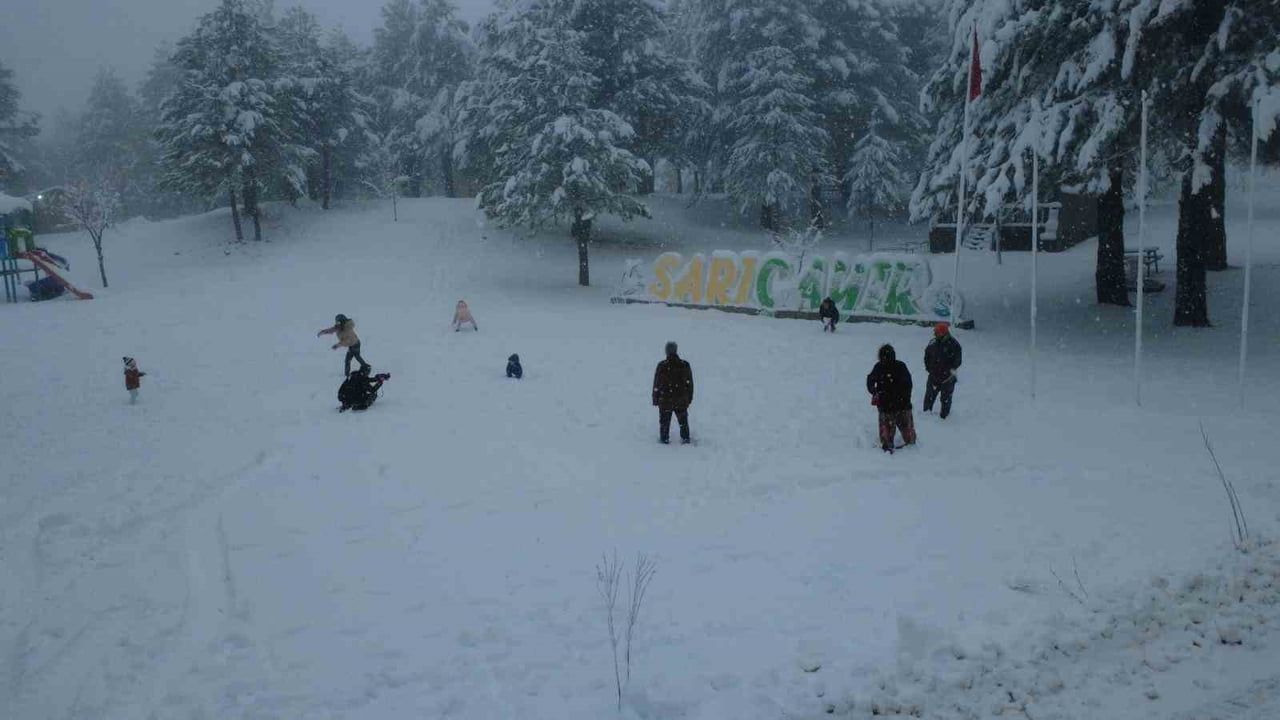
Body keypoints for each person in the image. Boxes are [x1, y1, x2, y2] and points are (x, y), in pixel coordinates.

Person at [866, 344, 916, 453]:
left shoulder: (888, 366)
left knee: (895, 437)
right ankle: (893, 445)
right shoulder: (886, 366)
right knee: (904, 437)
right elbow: (870, 380)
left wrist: (875, 392)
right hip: (896, 406)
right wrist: (874, 391)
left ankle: (892, 445)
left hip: (894, 406)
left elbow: (908, 386)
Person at [652, 341, 694, 444]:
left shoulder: (662, 365)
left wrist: (655, 398)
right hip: (681, 399)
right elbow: (690, 384)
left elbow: (657, 383)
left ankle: (664, 440)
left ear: (666, 351)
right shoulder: (684, 365)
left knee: (664, 423)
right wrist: (689, 398)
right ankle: (685, 439)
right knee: (683, 422)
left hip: (665, 400)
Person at [923, 322, 963, 419]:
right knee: (929, 397)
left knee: (946, 399)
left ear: (943, 333)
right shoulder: (932, 343)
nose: (935, 334)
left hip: (948, 378)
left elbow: (957, 362)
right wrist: (930, 370)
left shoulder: (954, 345)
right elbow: (926, 357)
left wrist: (948, 373)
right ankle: (926, 415)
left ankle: (944, 417)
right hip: (933, 376)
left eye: (937, 332)